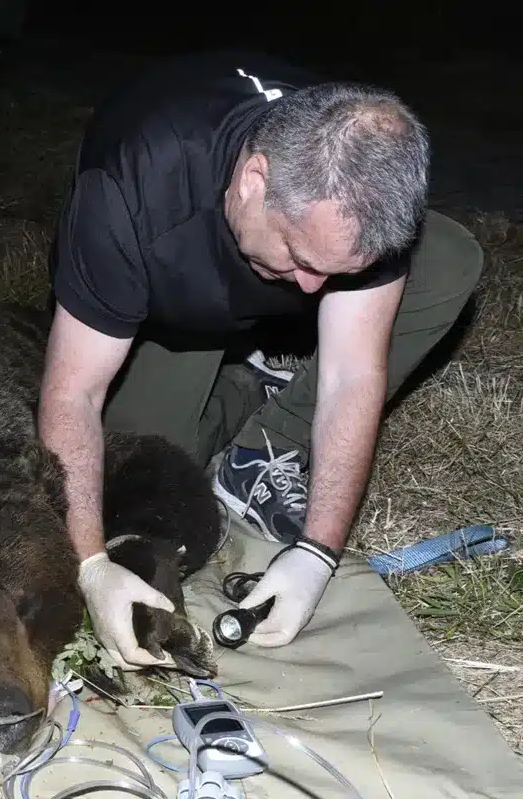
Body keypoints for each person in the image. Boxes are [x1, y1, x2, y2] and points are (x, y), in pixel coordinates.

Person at [37, 50, 483, 669]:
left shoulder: (361, 191)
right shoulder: (127, 193)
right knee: (147, 470)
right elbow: (72, 396)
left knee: (453, 258)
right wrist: (89, 566)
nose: (309, 290)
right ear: (252, 180)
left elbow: (352, 375)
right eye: (300, 256)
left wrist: (317, 555)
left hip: (267, 249)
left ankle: (265, 443)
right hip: (167, 310)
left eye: (334, 273)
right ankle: (247, 382)